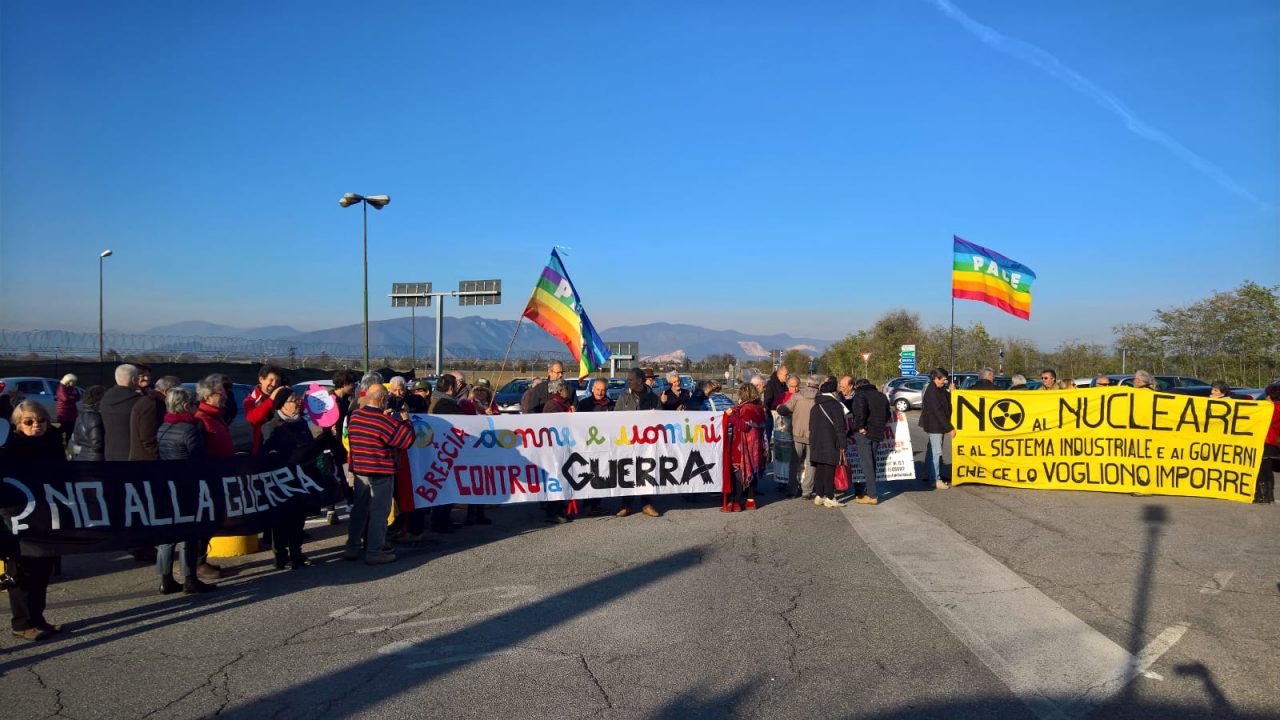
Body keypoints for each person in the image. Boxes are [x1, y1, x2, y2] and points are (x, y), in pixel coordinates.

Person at [1, 401, 65, 641]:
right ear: (18, 424)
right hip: (21, 517)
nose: (36, 425)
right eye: (29, 421)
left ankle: (38, 618)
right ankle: (22, 622)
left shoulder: (52, 442)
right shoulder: (10, 447)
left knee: (43, 568)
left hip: (48, 514)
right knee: (23, 571)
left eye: (41, 420)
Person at [262, 387, 338, 568]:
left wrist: (326, 435)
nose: (298, 404)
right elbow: (269, 454)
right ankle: (281, 555)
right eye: (293, 401)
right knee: (281, 520)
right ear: (282, 405)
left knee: (298, 518)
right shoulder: (271, 426)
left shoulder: (302, 423)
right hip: (282, 482)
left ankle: (296, 552)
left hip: (302, 480)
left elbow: (310, 448)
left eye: (298, 400)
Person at [155, 386, 217, 594]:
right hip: (187, 485)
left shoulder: (163, 427)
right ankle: (190, 578)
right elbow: (199, 458)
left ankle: (165, 579)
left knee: (168, 535)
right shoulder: (189, 430)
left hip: (167, 484)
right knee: (189, 533)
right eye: (193, 404)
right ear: (185, 405)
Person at [344, 384, 414, 564]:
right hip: (380, 471)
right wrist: (406, 421)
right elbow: (406, 440)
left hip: (360, 470)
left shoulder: (356, 415)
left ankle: (352, 547)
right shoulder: (383, 421)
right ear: (383, 399)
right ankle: (374, 551)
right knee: (379, 514)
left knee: (359, 511)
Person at [614, 368, 661, 518]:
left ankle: (647, 505)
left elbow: (660, 419)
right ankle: (626, 505)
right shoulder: (624, 397)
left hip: (647, 443)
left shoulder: (654, 398)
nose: (628, 381)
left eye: (630, 379)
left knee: (646, 471)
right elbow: (615, 418)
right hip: (627, 442)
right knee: (628, 472)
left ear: (640, 381)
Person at [724, 383, 767, 511]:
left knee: (739, 470)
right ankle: (750, 501)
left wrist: (731, 416)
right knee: (753, 469)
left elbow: (744, 426)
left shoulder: (746, 408)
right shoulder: (759, 408)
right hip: (757, 445)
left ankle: (736, 501)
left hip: (743, 445)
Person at [777, 375, 819, 498]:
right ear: (818, 385)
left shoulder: (797, 396)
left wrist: (780, 408)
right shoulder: (820, 398)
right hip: (813, 436)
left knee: (794, 462)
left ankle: (792, 489)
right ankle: (807, 491)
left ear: (807, 384)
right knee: (811, 463)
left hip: (797, 434)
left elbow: (783, 410)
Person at [849, 378, 890, 504]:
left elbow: (860, 413)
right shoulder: (881, 396)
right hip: (877, 432)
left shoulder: (860, 395)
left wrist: (861, 427)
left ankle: (872, 495)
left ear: (858, 386)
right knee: (872, 462)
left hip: (864, 433)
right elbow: (887, 415)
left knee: (867, 464)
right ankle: (869, 491)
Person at [540, 379, 576, 523]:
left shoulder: (562, 403)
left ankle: (561, 508)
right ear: (559, 391)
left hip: (563, 446)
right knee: (556, 477)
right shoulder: (552, 405)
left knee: (563, 477)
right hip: (554, 448)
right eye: (565, 388)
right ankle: (553, 512)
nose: (568, 391)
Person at [808, 379, 848, 508]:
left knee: (819, 468)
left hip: (816, 441)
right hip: (831, 441)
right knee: (830, 469)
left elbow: (811, 426)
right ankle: (830, 497)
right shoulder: (835, 405)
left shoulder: (815, 406)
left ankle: (819, 495)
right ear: (834, 391)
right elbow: (840, 427)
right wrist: (843, 444)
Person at [130, 375, 180, 461]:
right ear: (167, 391)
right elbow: (148, 439)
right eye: (177, 393)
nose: (178, 396)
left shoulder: (149, 401)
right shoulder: (153, 405)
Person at [920, 368, 954, 490]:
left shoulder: (938, 389)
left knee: (932, 451)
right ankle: (935, 479)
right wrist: (949, 428)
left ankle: (929, 474)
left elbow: (945, 398)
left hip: (936, 425)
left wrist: (951, 392)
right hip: (935, 426)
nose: (945, 382)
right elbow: (938, 412)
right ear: (936, 378)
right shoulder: (932, 391)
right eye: (943, 380)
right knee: (936, 453)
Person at [100, 363, 140, 461]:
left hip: (110, 451)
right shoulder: (138, 402)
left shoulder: (105, 399)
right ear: (134, 379)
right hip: (132, 453)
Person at [244, 364, 287, 454]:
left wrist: (288, 394)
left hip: (281, 445)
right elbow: (252, 419)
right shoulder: (250, 400)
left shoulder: (281, 397)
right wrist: (271, 399)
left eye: (277, 381)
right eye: (271, 380)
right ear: (261, 379)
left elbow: (300, 408)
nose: (274, 384)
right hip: (262, 447)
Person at [1252, 383, 1279, 504]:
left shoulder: (1268, 408)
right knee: (1268, 470)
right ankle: (1269, 495)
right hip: (1274, 443)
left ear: (1269, 395)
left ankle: (1261, 495)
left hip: (1265, 441)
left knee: (1261, 469)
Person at [71, 385, 107, 461]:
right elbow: (97, 444)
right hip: (95, 457)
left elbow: (76, 439)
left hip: (81, 455)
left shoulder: (80, 416)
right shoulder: (96, 418)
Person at [55, 374, 81, 446]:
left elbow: (78, 397)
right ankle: (56, 439)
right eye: (73, 381)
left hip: (72, 412)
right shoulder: (62, 388)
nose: (75, 383)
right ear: (68, 381)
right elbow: (65, 398)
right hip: (64, 412)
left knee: (71, 428)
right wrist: (72, 397)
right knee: (64, 427)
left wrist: (72, 397)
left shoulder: (73, 388)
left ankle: (67, 443)